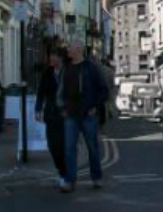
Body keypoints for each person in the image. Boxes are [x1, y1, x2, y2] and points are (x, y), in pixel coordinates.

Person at [59, 40, 109, 193]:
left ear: (78, 49)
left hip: (87, 114)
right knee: (69, 149)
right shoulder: (66, 68)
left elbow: (103, 90)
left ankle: (96, 177)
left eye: (70, 47)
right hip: (71, 114)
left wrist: (95, 107)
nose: (67, 50)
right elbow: (61, 90)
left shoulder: (91, 68)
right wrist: (62, 107)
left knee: (92, 147)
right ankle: (69, 180)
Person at [35, 47, 68, 186]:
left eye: (53, 55)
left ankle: (65, 173)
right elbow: (41, 92)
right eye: (50, 55)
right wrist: (38, 109)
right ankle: (61, 170)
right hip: (51, 113)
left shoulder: (68, 71)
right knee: (52, 144)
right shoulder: (47, 72)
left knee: (64, 145)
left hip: (66, 114)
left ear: (60, 57)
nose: (50, 58)